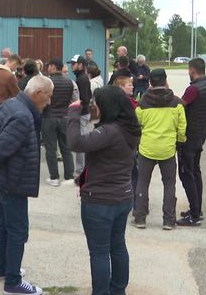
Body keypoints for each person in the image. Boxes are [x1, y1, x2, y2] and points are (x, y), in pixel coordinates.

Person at [0, 75, 53, 295]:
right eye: (48, 97)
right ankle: (13, 282)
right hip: (12, 181)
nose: (49, 102)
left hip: (3, 179)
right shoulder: (22, 116)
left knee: (5, 225)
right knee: (18, 230)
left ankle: (2, 268)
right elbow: (1, 148)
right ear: (38, 94)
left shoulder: (9, 104)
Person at [67, 85, 141, 295]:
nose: (93, 106)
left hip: (100, 202)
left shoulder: (109, 131)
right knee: (117, 246)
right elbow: (108, 161)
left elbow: (76, 142)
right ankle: (118, 290)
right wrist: (82, 179)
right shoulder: (128, 128)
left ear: (106, 105)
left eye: (95, 102)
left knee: (99, 252)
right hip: (123, 198)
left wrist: (73, 113)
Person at [132, 69, 186, 230]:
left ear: (150, 82)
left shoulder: (142, 104)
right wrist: (180, 141)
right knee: (169, 184)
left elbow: (136, 125)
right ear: (165, 80)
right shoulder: (176, 102)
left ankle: (140, 218)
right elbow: (182, 127)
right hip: (168, 150)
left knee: (142, 182)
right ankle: (169, 220)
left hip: (147, 148)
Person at [177, 58, 206, 226]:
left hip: (189, 137)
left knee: (186, 174)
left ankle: (193, 215)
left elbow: (179, 105)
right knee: (196, 172)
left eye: (188, 70)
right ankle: (197, 209)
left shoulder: (193, 89)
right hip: (200, 135)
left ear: (192, 71)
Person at [43, 58, 75, 186]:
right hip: (64, 117)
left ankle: (54, 177)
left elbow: (44, 99)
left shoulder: (47, 82)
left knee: (51, 148)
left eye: (49, 66)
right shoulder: (69, 82)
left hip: (49, 117)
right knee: (66, 147)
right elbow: (72, 100)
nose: (48, 68)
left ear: (54, 67)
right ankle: (69, 176)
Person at [71, 55, 92, 176]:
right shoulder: (81, 78)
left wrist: (74, 107)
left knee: (80, 142)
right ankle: (82, 168)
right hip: (83, 112)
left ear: (81, 65)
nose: (72, 66)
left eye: (74, 63)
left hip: (82, 113)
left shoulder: (82, 79)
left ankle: (81, 170)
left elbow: (84, 98)